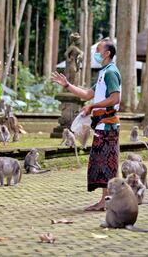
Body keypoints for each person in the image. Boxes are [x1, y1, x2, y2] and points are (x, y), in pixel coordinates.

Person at [51, 38, 121, 211]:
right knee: (101, 163)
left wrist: (93, 106)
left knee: (107, 163)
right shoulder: (103, 73)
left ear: (107, 53)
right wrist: (67, 85)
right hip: (100, 125)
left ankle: (108, 201)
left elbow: (115, 98)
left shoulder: (111, 72)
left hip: (108, 125)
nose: (96, 53)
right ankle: (105, 201)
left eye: (98, 50)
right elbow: (87, 94)